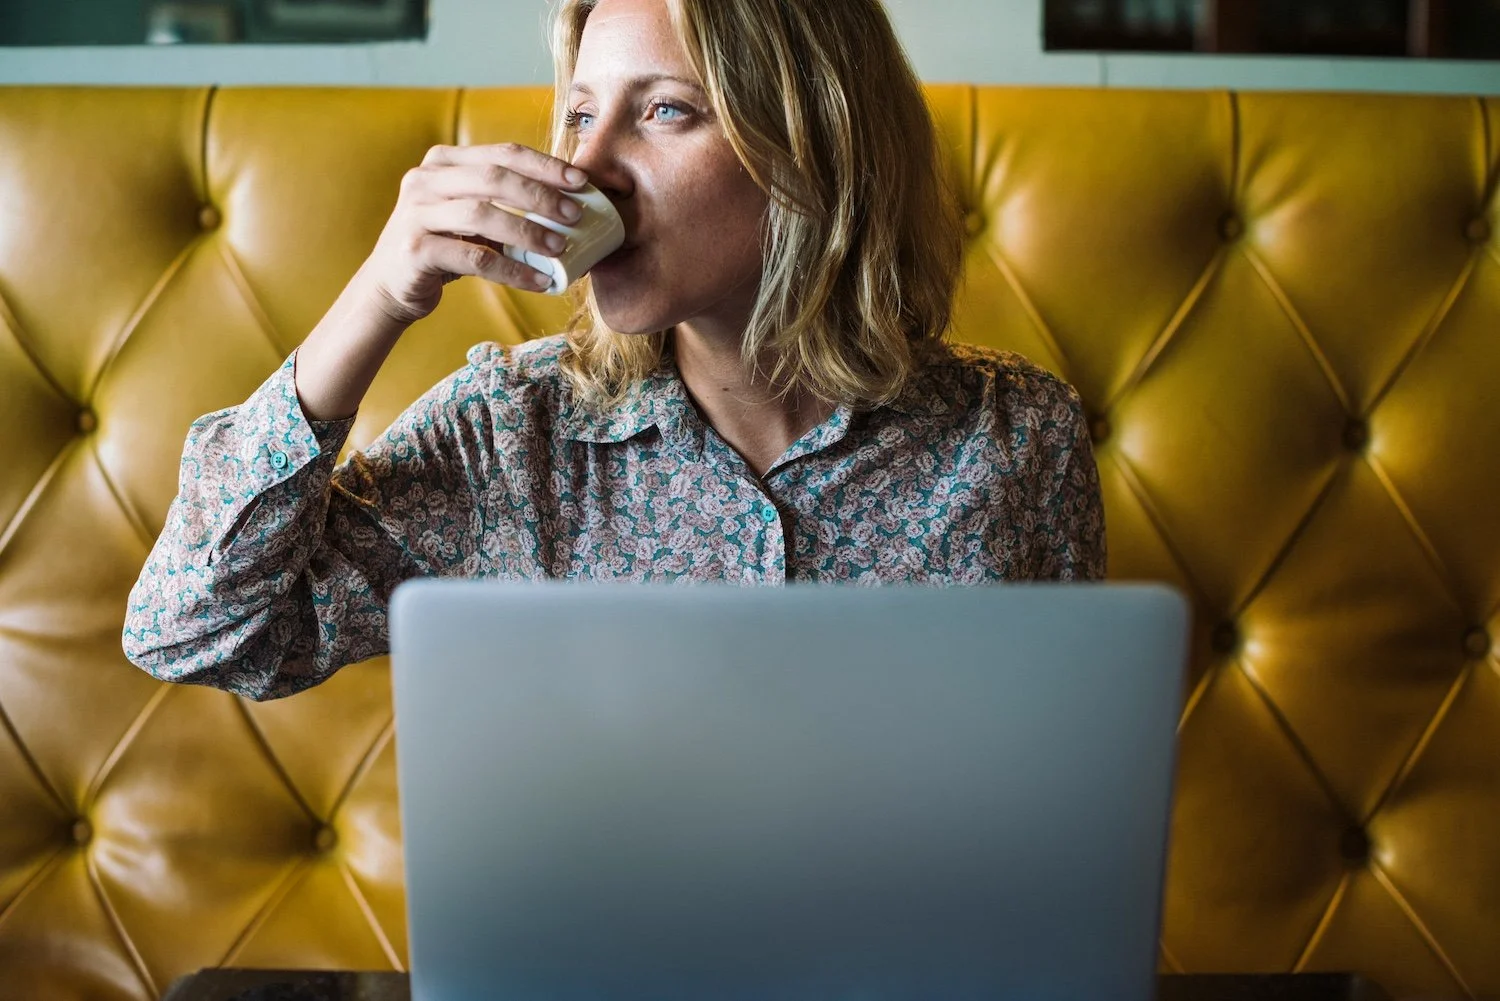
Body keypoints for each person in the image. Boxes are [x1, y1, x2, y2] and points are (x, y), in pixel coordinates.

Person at [123, 0, 1106, 701]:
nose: (585, 170)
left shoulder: (1015, 434)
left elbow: (1065, 777)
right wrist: (379, 296)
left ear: (812, 149)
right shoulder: (511, 433)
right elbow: (197, 630)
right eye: (582, 113)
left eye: (663, 110)